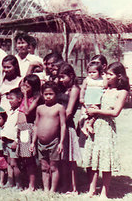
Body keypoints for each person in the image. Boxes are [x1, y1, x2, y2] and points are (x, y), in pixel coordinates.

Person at [82, 62, 129, 199]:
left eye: (110, 74)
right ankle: (91, 190)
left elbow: (115, 112)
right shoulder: (104, 89)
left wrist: (97, 111)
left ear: (119, 76)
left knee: (105, 161)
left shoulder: (122, 92)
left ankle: (104, 192)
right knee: (94, 160)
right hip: (96, 126)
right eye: (106, 74)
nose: (107, 77)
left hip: (107, 128)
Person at [30, 81, 66, 193]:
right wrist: (33, 142)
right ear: (42, 94)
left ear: (56, 94)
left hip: (54, 142)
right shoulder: (40, 108)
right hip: (40, 143)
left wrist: (61, 142)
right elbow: (36, 125)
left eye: (51, 94)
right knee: (44, 167)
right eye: (46, 94)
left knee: (54, 167)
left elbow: (63, 125)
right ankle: (46, 188)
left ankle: (52, 189)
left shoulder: (59, 108)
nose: (48, 96)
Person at [58, 63, 81, 194]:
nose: (60, 80)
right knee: (62, 159)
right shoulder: (61, 88)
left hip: (67, 125)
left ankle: (74, 188)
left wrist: (59, 124)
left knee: (71, 159)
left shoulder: (74, 89)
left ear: (71, 75)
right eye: (59, 77)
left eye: (63, 77)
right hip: (59, 126)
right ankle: (64, 185)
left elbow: (69, 111)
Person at [17, 74, 41, 192]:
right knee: (23, 158)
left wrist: (26, 95)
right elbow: (20, 83)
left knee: (29, 159)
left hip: (28, 128)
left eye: (27, 86)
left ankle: (32, 185)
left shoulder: (35, 98)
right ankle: (26, 182)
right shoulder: (23, 94)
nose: (24, 88)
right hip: (21, 128)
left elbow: (27, 111)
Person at [0, 87, 23, 188]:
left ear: (19, 99)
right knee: (9, 162)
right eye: (8, 99)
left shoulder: (20, 112)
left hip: (13, 141)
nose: (9, 101)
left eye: (12, 99)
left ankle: (19, 184)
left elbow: (20, 128)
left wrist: (17, 141)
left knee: (14, 164)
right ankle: (10, 182)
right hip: (6, 140)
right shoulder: (10, 111)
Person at [79, 61, 104, 136]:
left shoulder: (102, 80)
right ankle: (84, 126)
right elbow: (83, 89)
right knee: (88, 114)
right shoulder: (87, 80)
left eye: (94, 72)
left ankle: (89, 124)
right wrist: (81, 97)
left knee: (95, 113)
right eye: (89, 72)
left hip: (97, 100)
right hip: (89, 99)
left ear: (99, 72)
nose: (91, 74)